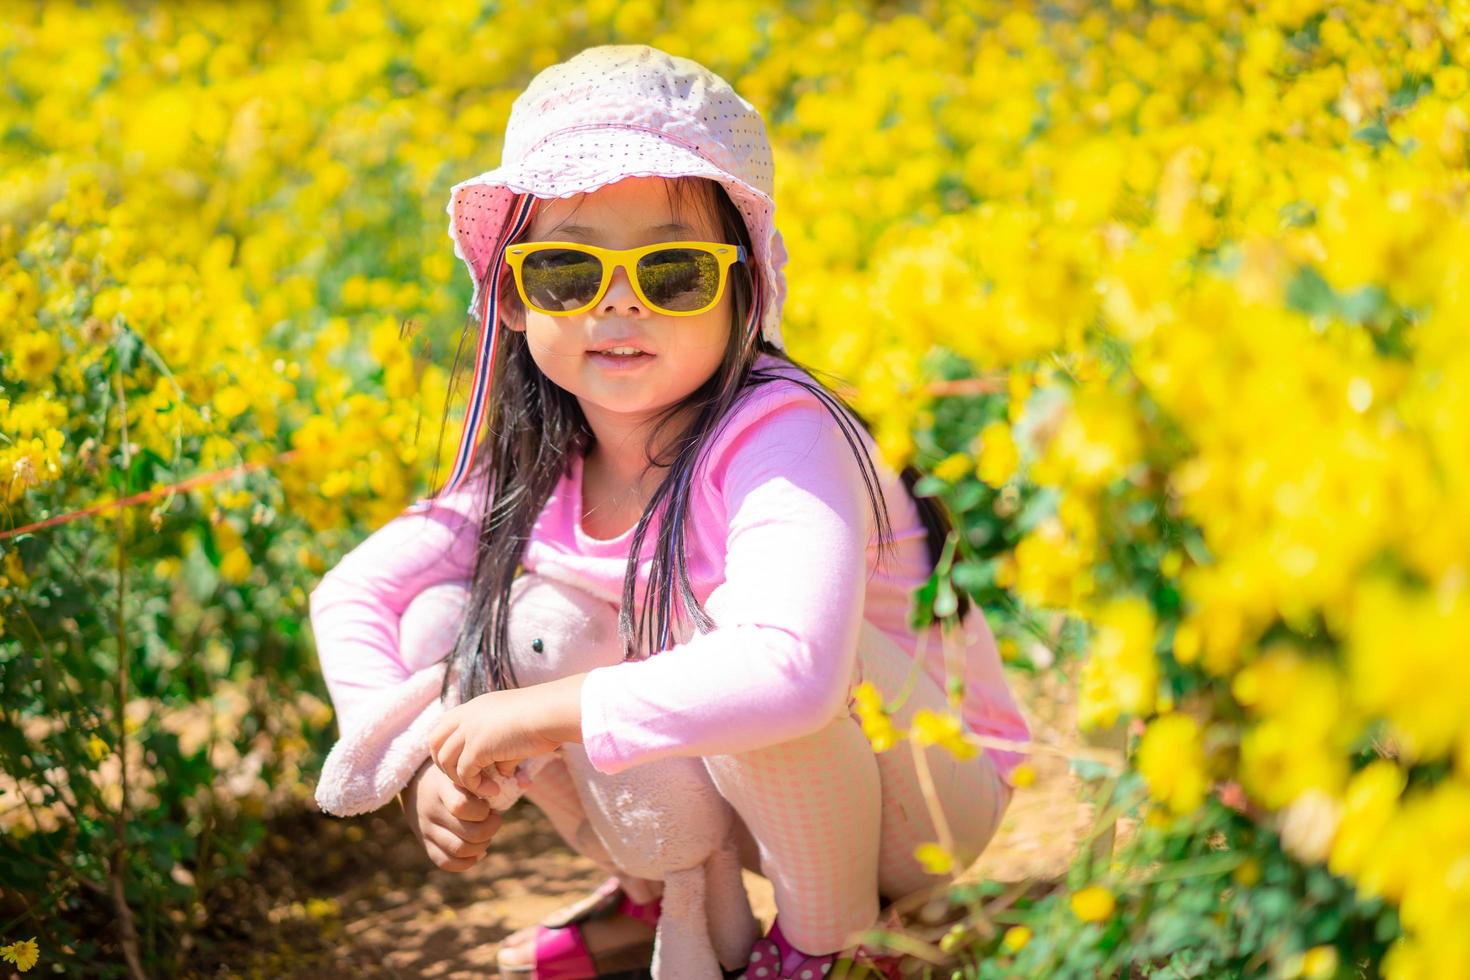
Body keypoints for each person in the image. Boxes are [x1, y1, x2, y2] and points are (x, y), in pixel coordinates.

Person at [308, 43, 1029, 980]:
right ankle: (667, 898)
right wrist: (419, 754)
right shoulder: (543, 455)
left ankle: (830, 946)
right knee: (479, 621)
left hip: (925, 800)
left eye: (674, 273)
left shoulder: (780, 428)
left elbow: (798, 678)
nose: (618, 302)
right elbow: (352, 594)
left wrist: (538, 717)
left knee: (755, 649)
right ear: (516, 299)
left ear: (742, 287)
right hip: (765, 794)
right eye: (567, 272)